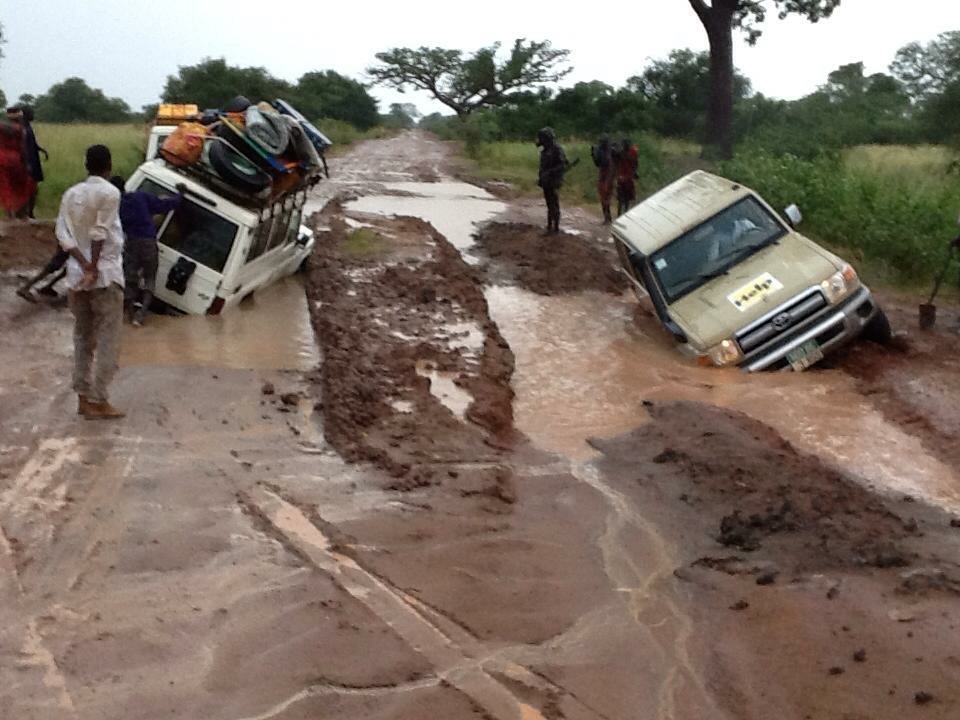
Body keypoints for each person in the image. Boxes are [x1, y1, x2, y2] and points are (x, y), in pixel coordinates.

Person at [57, 145, 126, 420]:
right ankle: (99, 400)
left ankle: (83, 397)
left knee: (83, 337)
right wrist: (93, 266)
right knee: (108, 339)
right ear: (108, 165)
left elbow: (63, 234)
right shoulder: (110, 193)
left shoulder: (71, 194)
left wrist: (82, 264)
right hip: (105, 275)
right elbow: (100, 232)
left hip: (76, 275)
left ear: (87, 164)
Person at [111, 175, 183, 326]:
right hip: (149, 242)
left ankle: (130, 315)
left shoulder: (114, 208)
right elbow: (164, 205)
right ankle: (141, 314)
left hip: (131, 243)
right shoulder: (140, 197)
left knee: (130, 279)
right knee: (150, 277)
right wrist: (180, 195)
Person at [0, 108, 34, 218]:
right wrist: (26, 164)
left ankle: (10, 215)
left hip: (2, 160)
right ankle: (21, 214)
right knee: (21, 187)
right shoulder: (20, 130)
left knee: (6, 188)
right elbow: (23, 148)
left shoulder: (2, 128)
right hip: (16, 160)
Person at [536, 127, 567, 235]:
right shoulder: (545, 150)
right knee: (549, 204)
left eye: (542, 138)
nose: (540, 140)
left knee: (554, 203)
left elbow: (562, 165)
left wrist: (550, 172)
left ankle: (556, 228)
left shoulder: (557, 149)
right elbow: (542, 166)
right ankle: (549, 227)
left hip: (554, 180)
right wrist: (541, 177)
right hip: (546, 180)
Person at [19, 106, 48, 219]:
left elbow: (32, 143)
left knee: (33, 189)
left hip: (33, 161)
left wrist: (41, 150)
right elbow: (23, 147)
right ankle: (27, 213)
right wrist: (27, 164)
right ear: (25, 115)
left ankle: (29, 212)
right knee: (30, 189)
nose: (33, 115)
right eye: (31, 113)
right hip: (29, 163)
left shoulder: (27, 127)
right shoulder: (23, 128)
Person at [591, 136, 616, 224]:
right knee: (604, 199)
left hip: (607, 177)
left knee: (605, 199)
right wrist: (593, 154)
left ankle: (608, 218)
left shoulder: (608, 153)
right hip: (604, 176)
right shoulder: (605, 152)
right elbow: (598, 164)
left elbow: (609, 168)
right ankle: (607, 217)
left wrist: (607, 182)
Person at [615, 137, 639, 217]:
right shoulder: (631, 152)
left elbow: (635, 163)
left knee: (622, 199)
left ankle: (621, 215)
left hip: (624, 178)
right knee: (624, 199)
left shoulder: (624, 152)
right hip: (626, 178)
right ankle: (623, 215)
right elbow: (635, 164)